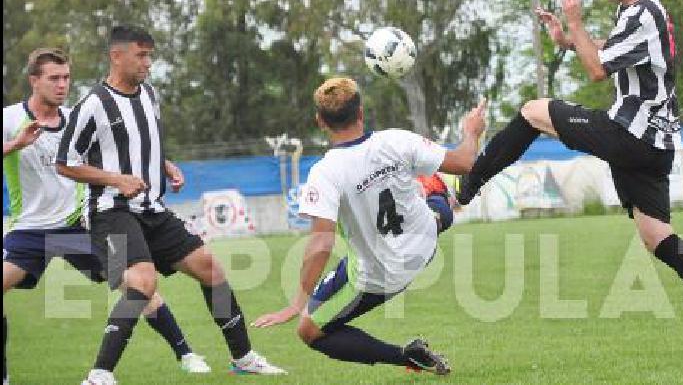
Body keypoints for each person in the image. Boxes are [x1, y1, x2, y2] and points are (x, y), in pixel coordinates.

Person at [456, 0, 683, 356]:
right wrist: (568, 40)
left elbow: (598, 70)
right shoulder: (637, 12)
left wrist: (576, 22)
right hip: (654, 145)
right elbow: (610, 53)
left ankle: (467, 186)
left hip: (630, 135)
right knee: (657, 237)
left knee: (531, 112)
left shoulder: (643, 14)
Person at [55, 26, 285, 385]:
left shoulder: (149, 93)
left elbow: (143, 143)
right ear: (117, 56)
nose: (149, 62)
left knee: (212, 269)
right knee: (143, 283)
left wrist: (166, 164)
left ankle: (244, 357)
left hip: (153, 208)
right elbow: (65, 163)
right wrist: (117, 180)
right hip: (109, 213)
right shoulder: (93, 104)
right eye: (141, 55)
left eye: (150, 54)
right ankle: (99, 375)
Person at [2, 48, 211, 385]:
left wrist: (164, 164)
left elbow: (124, 153)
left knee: (138, 286)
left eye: (66, 78)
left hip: (79, 225)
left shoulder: (78, 118)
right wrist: (15, 145)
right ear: (33, 81)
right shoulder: (10, 119)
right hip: (30, 230)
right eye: (54, 78)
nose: (62, 85)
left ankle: (186, 354)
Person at [251, 77, 486, 374]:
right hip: (423, 247)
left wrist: (297, 302)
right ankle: (439, 197)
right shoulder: (397, 140)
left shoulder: (325, 173)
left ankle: (406, 357)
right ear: (360, 112)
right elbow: (465, 161)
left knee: (309, 330)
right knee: (430, 201)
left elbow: (321, 244)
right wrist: (471, 131)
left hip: (376, 276)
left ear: (320, 121)